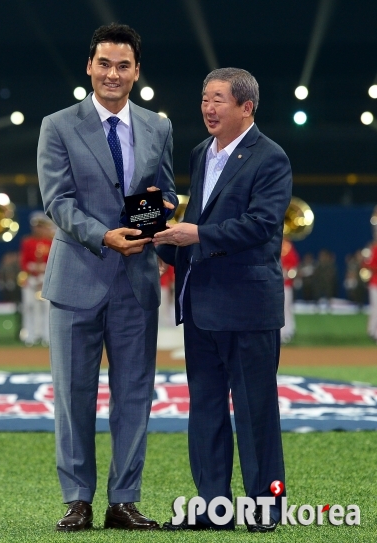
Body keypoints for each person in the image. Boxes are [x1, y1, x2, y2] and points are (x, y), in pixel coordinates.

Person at [37, 23, 177, 532]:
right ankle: (77, 499)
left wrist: (162, 209)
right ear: (90, 67)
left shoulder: (157, 127)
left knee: (135, 394)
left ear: (136, 71)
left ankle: (124, 500)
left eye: (123, 65)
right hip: (76, 278)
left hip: (135, 280)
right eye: (104, 64)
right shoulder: (57, 125)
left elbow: (165, 194)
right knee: (73, 395)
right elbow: (57, 202)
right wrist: (105, 236)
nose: (112, 74)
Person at [155, 67, 292, 532]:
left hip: (248, 309)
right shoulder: (200, 153)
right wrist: (159, 244)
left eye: (218, 100)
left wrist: (196, 233)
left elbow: (261, 226)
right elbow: (196, 221)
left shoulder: (270, 158)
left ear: (246, 107)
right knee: (206, 410)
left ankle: (266, 508)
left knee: (256, 413)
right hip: (200, 306)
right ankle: (214, 507)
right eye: (204, 98)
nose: (208, 108)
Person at [18, 211, 53, 346]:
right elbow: (24, 261)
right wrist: (33, 269)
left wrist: (43, 270)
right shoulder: (27, 241)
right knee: (29, 307)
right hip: (31, 279)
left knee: (46, 308)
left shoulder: (50, 241)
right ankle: (30, 335)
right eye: (36, 226)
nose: (37, 229)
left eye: (40, 226)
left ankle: (46, 336)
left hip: (45, 278)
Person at [280, 237, 300, 343]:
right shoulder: (273, 243)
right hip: (275, 283)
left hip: (285, 284)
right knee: (281, 308)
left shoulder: (287, 246)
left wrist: (287, 273)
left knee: (286, 308)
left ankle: (287, 331)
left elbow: (294, 265)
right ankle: (285, 331)